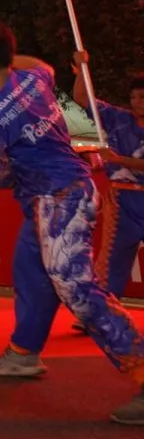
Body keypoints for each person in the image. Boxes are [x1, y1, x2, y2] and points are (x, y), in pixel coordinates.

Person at [0, 24, 144, 424]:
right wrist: (7, 67)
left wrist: (12, 173)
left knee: (77, 290)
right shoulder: (35, 77)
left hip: (58, 199)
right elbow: (39, 64)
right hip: (61, 193)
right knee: (30, 268)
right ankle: (23, 352)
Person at [72, 53, 144, 298]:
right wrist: (82, 67)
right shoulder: (118, 119)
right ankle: (102, 312)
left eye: (142, 97)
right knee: (112, 260)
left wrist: (118, 159)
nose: (136, 102)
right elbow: (82, 98)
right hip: (123, 201)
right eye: (133, 97)